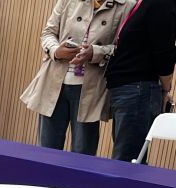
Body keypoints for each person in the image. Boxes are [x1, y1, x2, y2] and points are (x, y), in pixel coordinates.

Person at [21, 0, 129, 157]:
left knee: (83, 153)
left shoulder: (125, 5)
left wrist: (96, 52)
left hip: (90, 89)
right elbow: (48, 33)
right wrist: (56, 51)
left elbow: (124, 47)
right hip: (54, 82)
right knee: (47, 152)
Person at [105, 0, 176, 162]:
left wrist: (166, 88)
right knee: (127, 156)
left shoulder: (161, 4)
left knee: (128, 159)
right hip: (130, 88)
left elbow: (163, 52)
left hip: (137, 89)